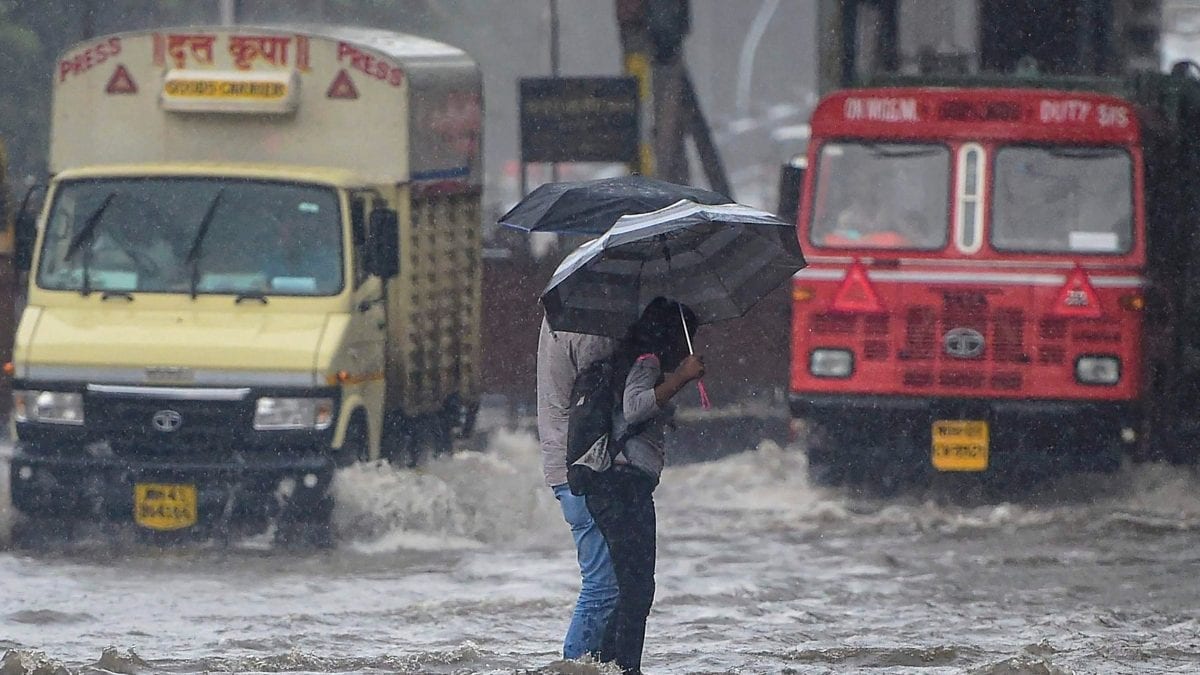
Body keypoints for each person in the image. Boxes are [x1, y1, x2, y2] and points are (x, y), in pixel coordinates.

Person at [586, 297, 706, 675]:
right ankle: (624, 669)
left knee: (630, 588)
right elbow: (636, 406)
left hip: (615, 487)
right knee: (638, 590)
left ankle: (604, 666)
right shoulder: (647, 360)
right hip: (624, 487)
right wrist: (681, 378)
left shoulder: (633, 359)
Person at [536, 315, 620, 659]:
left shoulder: (560, 316)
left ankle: (592, 663)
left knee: (605, 585)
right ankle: (574, 665)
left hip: (565, 464)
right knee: (603, 587)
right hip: (580, 468)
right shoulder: (588, 331)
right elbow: (602, 389)